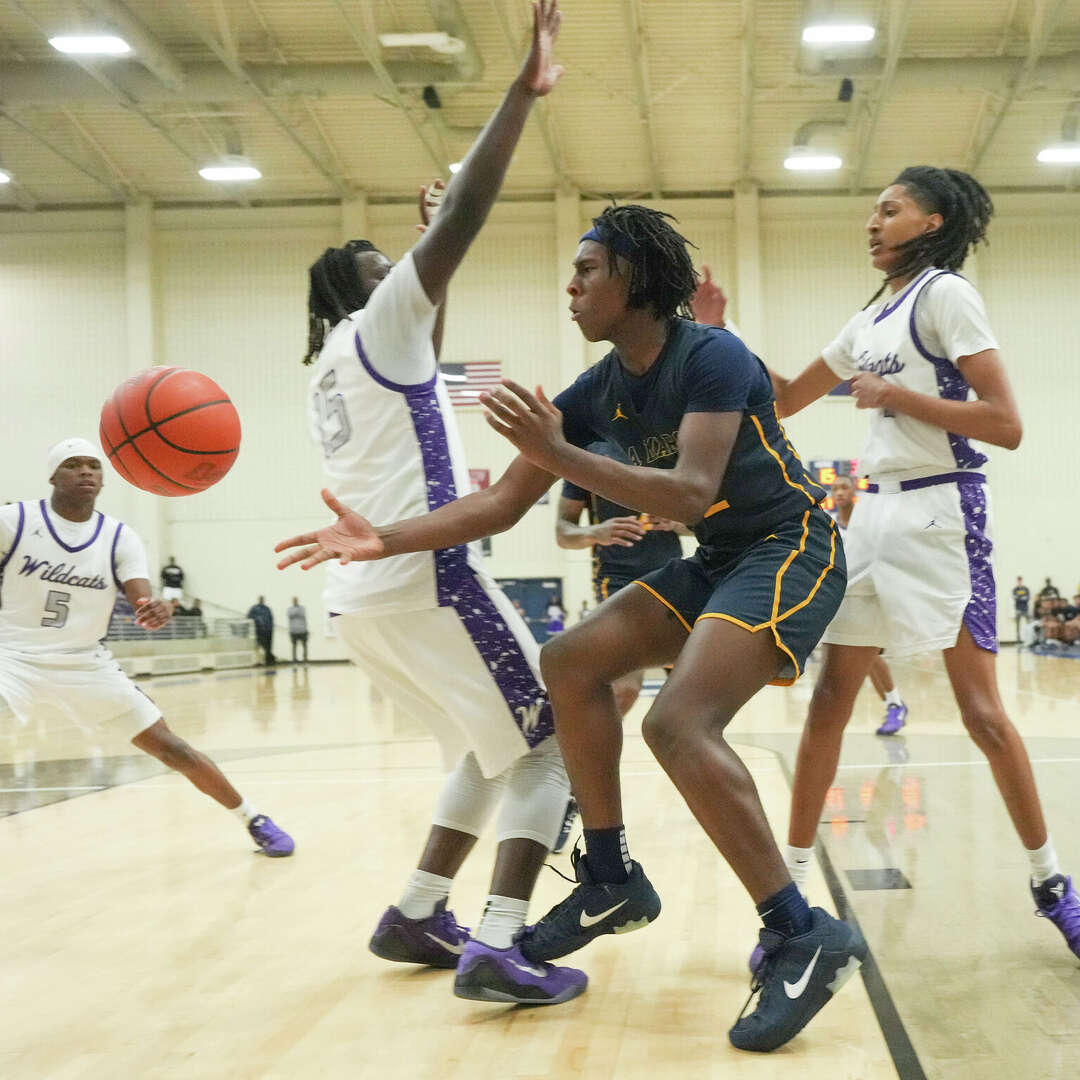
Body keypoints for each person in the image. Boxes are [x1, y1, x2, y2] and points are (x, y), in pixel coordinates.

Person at [278, 202, 868, 1052]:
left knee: (677, 724)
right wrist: (385, 536)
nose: (571, 283)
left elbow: (691, 493)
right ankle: (606, 872)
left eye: (586, 270)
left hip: (789, 545)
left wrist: (561, 455)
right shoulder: (596, 388)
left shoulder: (714, 355)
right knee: (571, 662)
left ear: (632, 279)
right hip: (719, 561)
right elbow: (499, 502)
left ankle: (801, 931)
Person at [700, 165, 1079, 961]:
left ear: (933, 222)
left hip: (945, 510)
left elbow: (1005, 423)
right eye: (873, 211)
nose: (873, 222)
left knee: (980, 714)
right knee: (830, 703)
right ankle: (793, 904)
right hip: (872, 514)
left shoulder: (946, 296)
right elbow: (787, 396)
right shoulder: (872, 314)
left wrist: (896, 397)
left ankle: (1052, 886)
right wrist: (717, 333)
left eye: (890, 209)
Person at [288, 1, 585, 1007]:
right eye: (392, 271)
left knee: (480, 745)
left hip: (363, 598)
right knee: (552, 745)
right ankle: (499, 943)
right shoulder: (380, 321)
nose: (408, 274)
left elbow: (423, 309)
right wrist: (521, 94)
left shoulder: (338, 357)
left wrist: (425, 250)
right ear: (365, 291)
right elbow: (464, 222)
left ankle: (418, 910)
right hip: (428, 577)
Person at [0, 438, 294, 857]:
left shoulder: (118, 537)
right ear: (52, 475)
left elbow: (141, 595)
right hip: (14, 658)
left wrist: (152, 608)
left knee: (173, 748)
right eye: (73, 465)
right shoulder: (13, 520)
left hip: (84, 664)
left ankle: (253, 819)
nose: (85, 472)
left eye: (93, 465)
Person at [555, 439, 684, 716]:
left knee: (688, 690)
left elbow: (706, 519)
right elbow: (563, 531)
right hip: (616, 578)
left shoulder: (671, 444)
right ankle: (577, 754)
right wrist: (595, 532)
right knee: (624, 688)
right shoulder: (589, 453)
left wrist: (679, 522)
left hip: (673, 575)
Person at [828, 474, 908, 736]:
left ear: (854, 492)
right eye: (834, 488)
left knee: (869, 653)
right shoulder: (828, 526)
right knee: (864, 658)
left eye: (844, 487)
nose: (839, 492)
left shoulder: (869, 523)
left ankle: (895, 704)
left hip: (872, 596)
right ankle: (894, 704)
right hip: (840, 599)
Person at [246, 596, 275, 665]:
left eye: (262, 599)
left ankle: (268, 661)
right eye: (260, 599)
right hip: (259, 631)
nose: (261, 600)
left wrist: (270, 628)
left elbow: (271, 618)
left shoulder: (267, 609)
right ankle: (259, 661)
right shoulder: (254, 608)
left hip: (268, 630)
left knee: (268, 647)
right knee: (259, 646)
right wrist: (257, 619)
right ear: (258, 600)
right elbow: (249, 616)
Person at [286, 596, 309, 663]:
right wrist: (296, 612)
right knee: (294, 645)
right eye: (294, 600)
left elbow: (303, 615)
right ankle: (294, 659)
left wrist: (306, 629)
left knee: (304, 645)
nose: (295, 601)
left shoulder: (302, 608)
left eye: (296, 600)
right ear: (292, 601)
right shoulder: (290, 609)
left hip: (302, 630)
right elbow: (290, 615)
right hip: (293, 631)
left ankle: (305, 658)